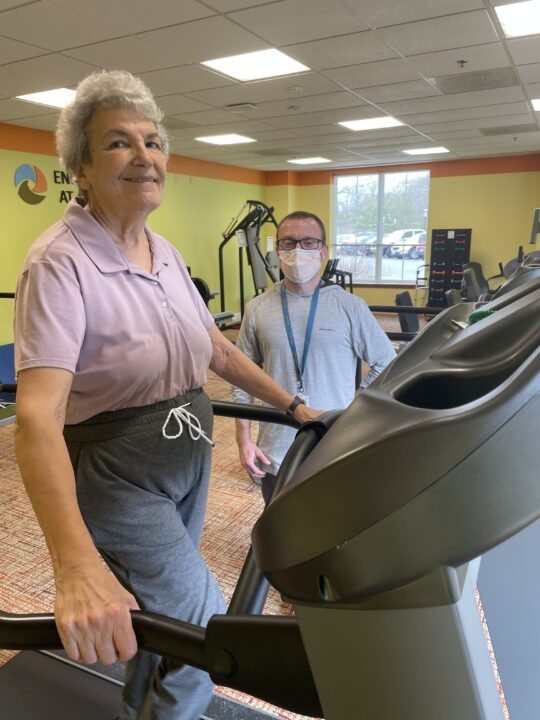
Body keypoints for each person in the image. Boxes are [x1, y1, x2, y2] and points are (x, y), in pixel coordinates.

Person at [13, 70, 318, 720]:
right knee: (204, 620)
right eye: (120, 142)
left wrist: (293, 408)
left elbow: (220, 350)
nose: (146, 155)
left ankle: (141, 703)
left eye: (153, 141)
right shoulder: (59, 264)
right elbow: (35, 419)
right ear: (81, 168)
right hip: (117, 475)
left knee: (161, 614)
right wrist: (72, 567)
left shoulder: (165, 252)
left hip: (186, 455)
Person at [234, 211, 396, 504]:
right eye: (288, 243)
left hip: (335, 443)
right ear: (277, 250)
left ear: (323, 251)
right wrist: (243, 440)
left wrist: (354, 404)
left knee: (330, 528)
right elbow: (241, 377)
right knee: (279, 531)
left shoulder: (350, 307)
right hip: (277, 448)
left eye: (308, 242)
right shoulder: (257, 308)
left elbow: (386, 361)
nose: (298, 250)